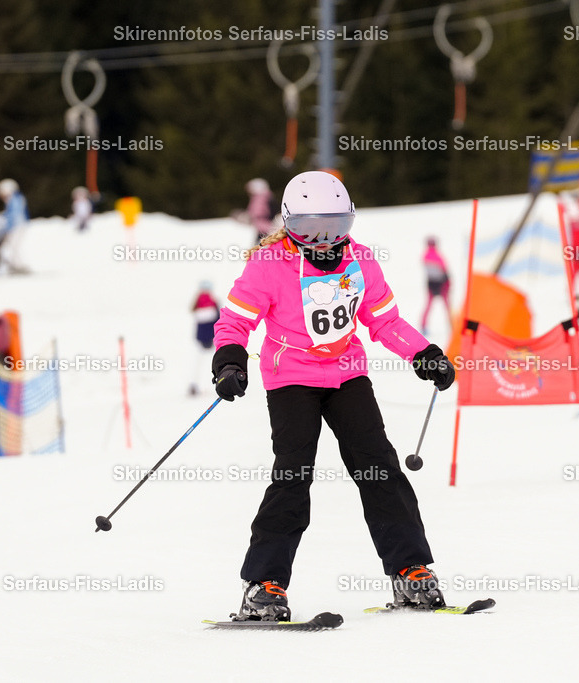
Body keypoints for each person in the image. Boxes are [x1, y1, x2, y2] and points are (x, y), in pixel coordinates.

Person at [212, 171, 456, 622]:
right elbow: (236, 321)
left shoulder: (360, 260)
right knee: (293, 475)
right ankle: (263, 585)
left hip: (347, 373)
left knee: (379, 467)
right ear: (289, 224)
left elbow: (385, 320)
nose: (324, 240)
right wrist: (229, 363)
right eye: (311, 230)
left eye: (336, 227)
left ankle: (411, 570)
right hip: (291, 378)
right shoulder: (269, 264)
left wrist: (423, 353)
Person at [189, 281, 220, 397]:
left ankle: (195, 385)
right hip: (212, 337)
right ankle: (208, 386)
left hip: (200, 337)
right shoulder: (213, 302)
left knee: (199, 362)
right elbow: (218, 318)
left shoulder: (197, 302)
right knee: (210, 362)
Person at [0, 178, 30, 274]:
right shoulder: (14, 199)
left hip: (18, 227)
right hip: (16, 227)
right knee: (11, 246)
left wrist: (6, 227)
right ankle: (15, 265)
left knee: (14, 247)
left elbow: (14, 215)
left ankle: (18, 266)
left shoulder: (15, 199)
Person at [420, 237, 451, 335]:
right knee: (447, 306)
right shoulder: (438, 256)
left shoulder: (425, 256)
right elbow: (445, 270)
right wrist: (448, 284)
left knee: (428, 306)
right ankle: (453, 326)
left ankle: (423, 326)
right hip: (441, 284)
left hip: (431, 284)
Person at [241, 178, 276, 246]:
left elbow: (258, 212)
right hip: (267, 226)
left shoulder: (259, 198)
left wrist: (249, 216)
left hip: (263, 227)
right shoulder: (267, 196)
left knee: (261, 245)